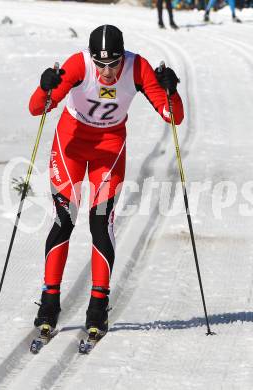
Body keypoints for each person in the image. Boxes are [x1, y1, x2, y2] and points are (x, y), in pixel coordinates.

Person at [29, 24, 184, 338]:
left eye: (113, 63)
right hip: (70, 143)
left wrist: (172, 91)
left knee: (101, 222)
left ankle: (98, 306)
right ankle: (49, 302)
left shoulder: (137, 67)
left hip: (109, 149)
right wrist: (44, 86)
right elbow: (38, 108)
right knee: (64, 219)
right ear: (91, 58)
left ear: (121, 57)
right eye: (101, 64)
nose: (107, 71)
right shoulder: (78, 64)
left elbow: (172, 116)